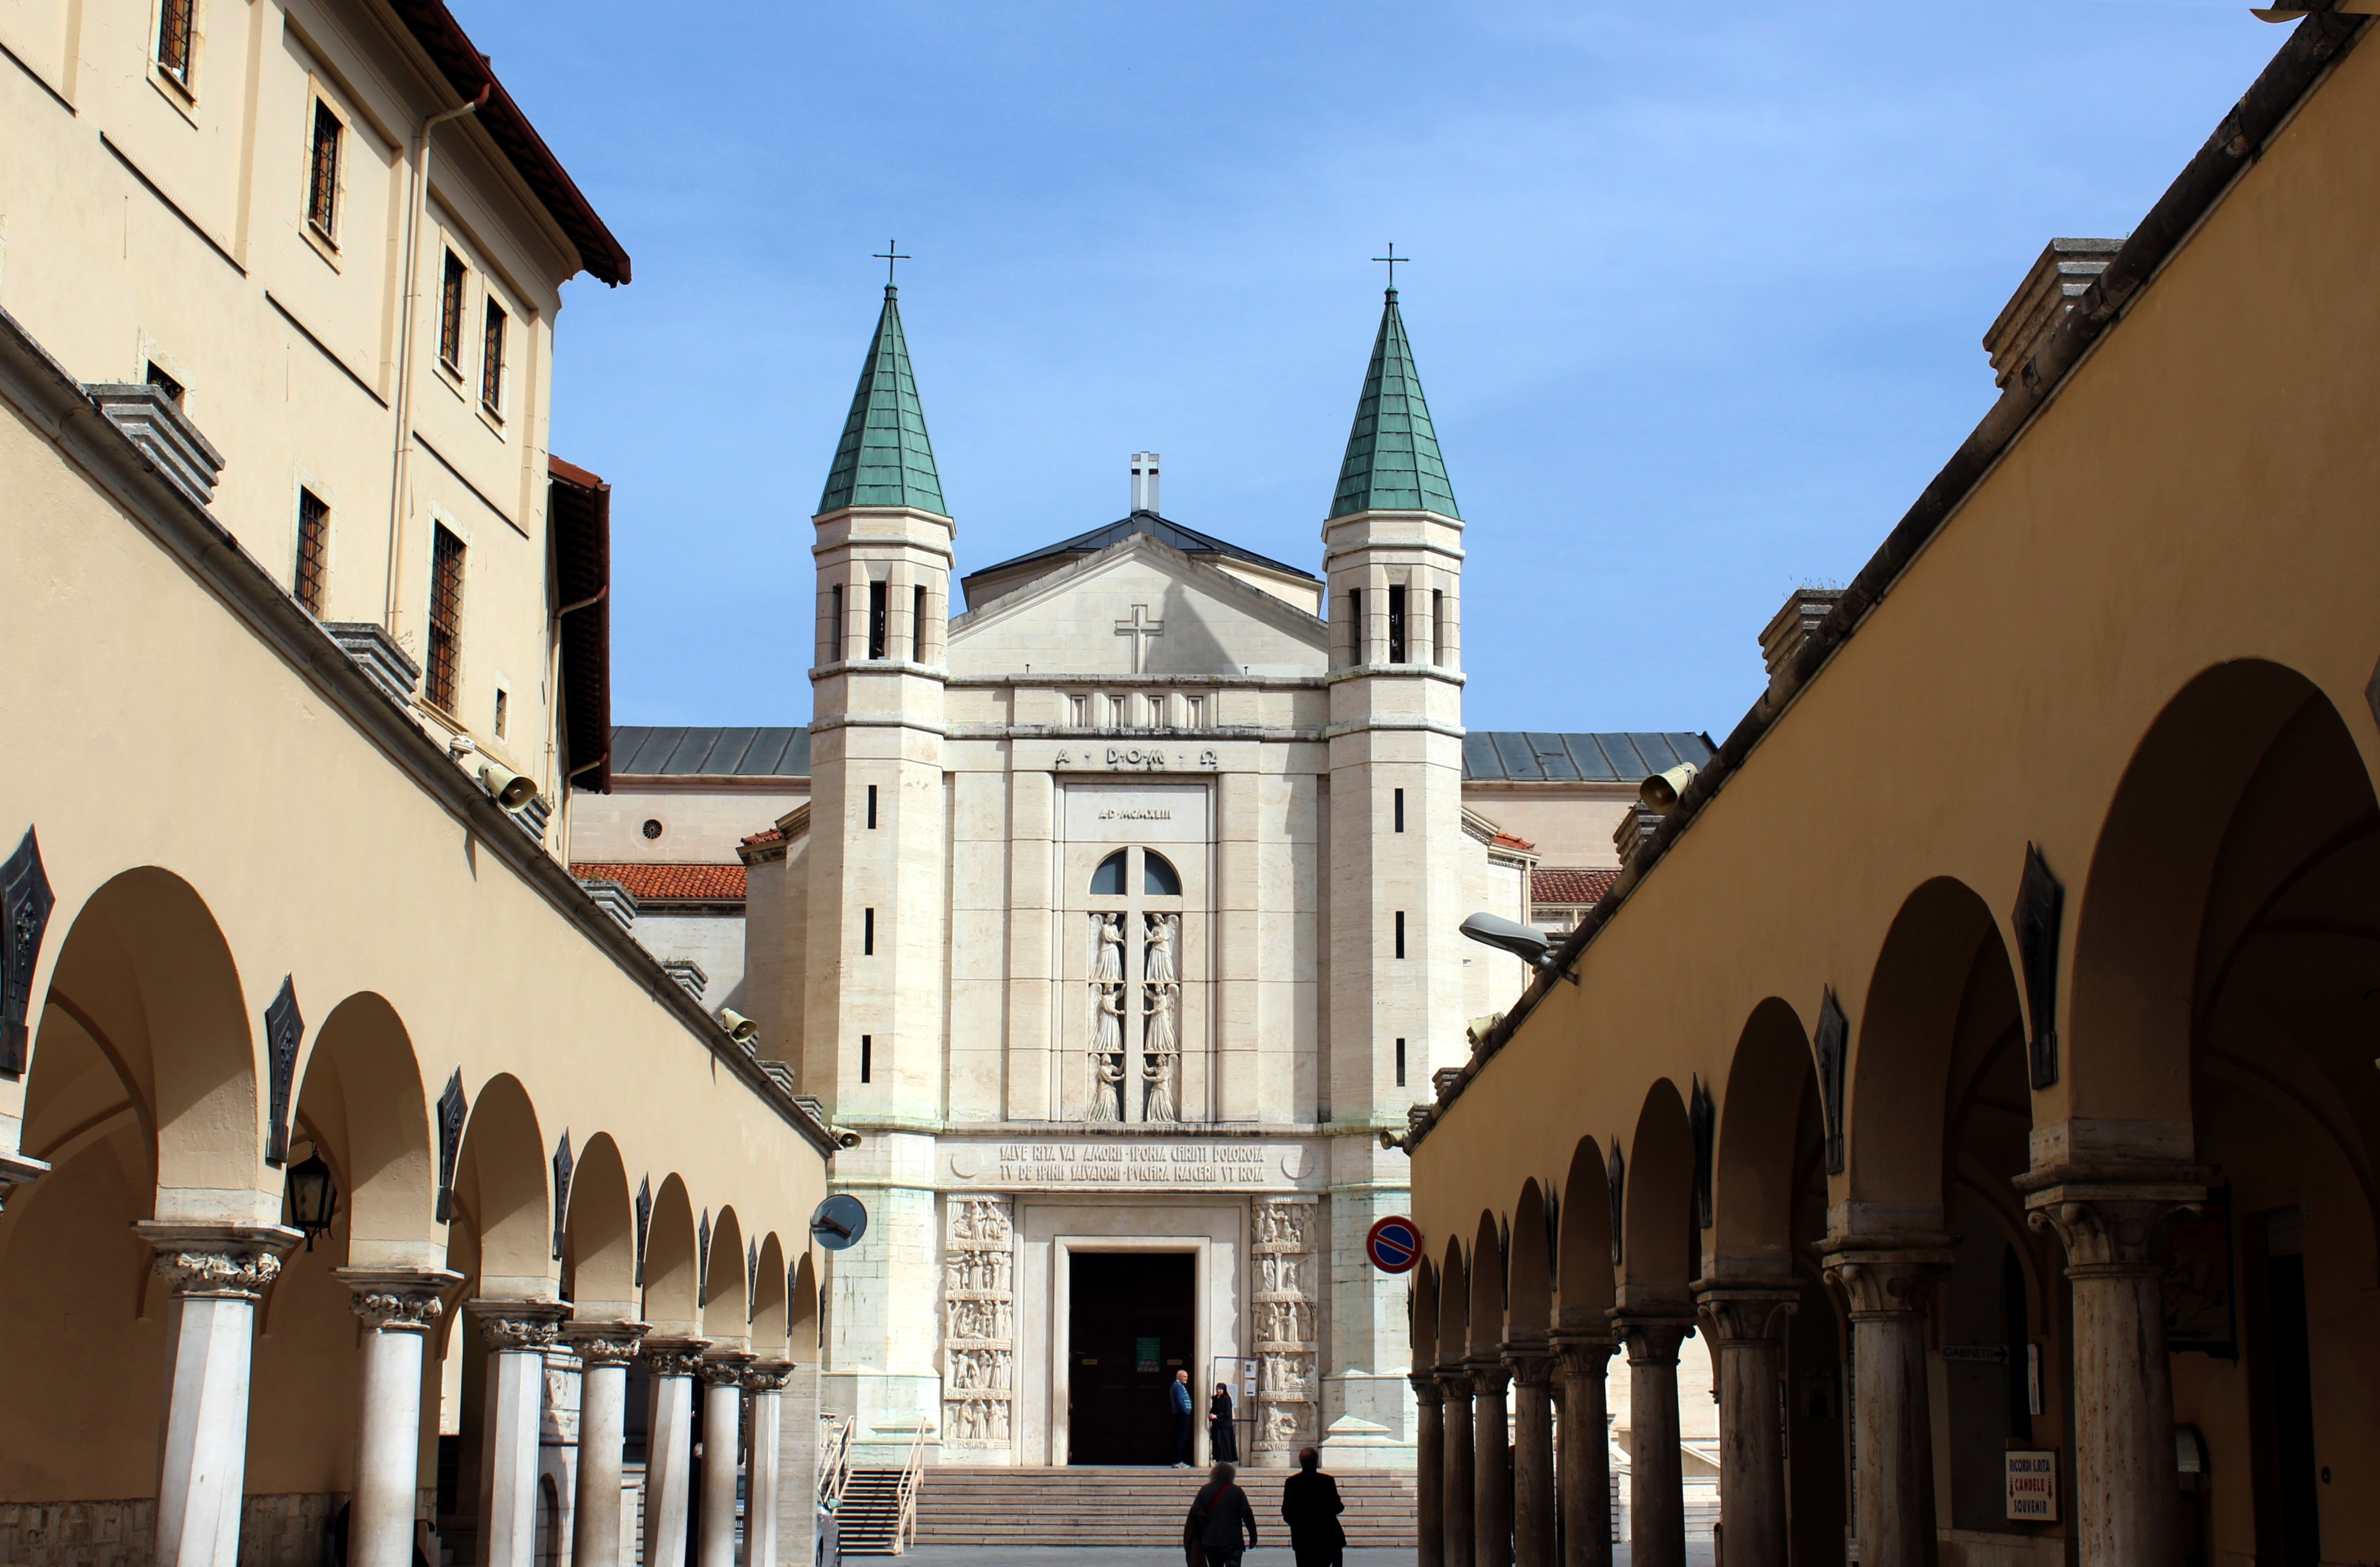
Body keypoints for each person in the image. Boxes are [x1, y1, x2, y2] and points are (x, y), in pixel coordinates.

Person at [1281, 1446, 1346, 1567]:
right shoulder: (1327, 1481)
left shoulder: (1292, 1483)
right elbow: (1338, 1507)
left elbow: (1286, 1512)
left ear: (1301, 1462)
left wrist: (1298, 1524)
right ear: (1316, 1462)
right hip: (1327, 1536)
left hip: (1302, 1538)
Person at [1185, 1462, 1258, 1567]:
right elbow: (1248, 1516)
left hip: (1210, 1541)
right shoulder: (1237, 1491)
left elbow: (1195, 1512)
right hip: (1233, 1541)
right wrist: (1253, 1537)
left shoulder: (1205, 1490)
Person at [1208, 1382, 1240, 1463]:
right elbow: (1213, 1409)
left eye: (1220, 1389)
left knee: (1225, 1444)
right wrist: (1211, 1415)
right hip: (1217, 1426)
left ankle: (1227, 1460)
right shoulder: (1216, 1399)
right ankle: (1219, 1459)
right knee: (1217, 1444)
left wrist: (1217, 1417)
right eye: (1218, 1389)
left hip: (1225, 1426)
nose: (1219, 1391)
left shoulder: (1226, 1399)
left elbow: (1227, 1413)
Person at [1170, 1368, 1196, 1467]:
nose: (1187, 1379)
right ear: (1179, 1377)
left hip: (1181, 1415)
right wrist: (1186, 1411)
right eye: (1185, 1377)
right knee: (1181, 1438)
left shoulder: (1178, 1386)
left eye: (1187, 1377)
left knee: (1180, 1437)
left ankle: (1177, 1461)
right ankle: (1178, 1461)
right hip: (1182, 1415)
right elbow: (1180, 1401)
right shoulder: (1178, 1386)